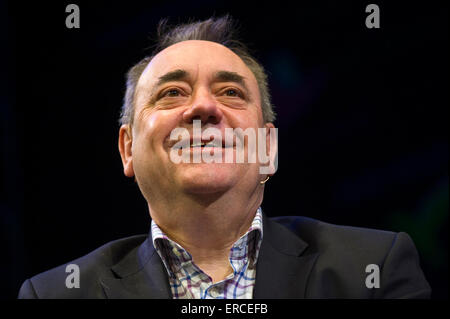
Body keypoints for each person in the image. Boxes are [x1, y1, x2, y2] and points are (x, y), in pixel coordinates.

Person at [18, 15, 431, 299]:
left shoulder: (372, 270)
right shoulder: (56, 293)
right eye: (172, 93)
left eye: (231, 93)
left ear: (267, 149)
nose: (203, 108)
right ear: (128, 149)